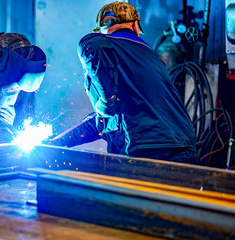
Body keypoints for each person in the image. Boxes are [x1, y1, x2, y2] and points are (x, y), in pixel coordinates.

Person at [50, 1, 198, 164]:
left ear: (101, 30)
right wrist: (54, 144)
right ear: (135, 27)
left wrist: (106, 103)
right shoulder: (152, 58)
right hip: (185, 152)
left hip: (147, 153)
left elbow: (93, 44)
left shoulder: (99, 44)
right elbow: (102, 121)